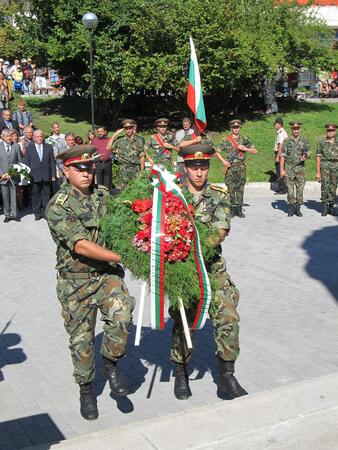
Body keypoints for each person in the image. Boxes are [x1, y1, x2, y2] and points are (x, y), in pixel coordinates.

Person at [46, 144, 135, 420]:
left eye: (89, 168)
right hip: (75, 283)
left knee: (122, 314)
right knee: (82, 342)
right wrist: (123, 256)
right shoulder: (58, 206)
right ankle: (86, 391)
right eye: (79, 169)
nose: (86, 174)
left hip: (106, 276)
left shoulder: (103, 195)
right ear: (66, 170)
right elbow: (82, 246)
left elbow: (123, 222)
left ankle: (110, 363)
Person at [169, 143, 246, 401]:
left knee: (228, 317)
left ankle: (226, 376)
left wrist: (193, 248)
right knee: (184, 322)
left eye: (203, 167)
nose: (200, 173)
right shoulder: (173, 196)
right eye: (194, 167)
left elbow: (220, 231)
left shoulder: (218, 194)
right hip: (184, 271)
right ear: (185, 167)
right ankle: (181, 371)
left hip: (212, 268)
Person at [217, 119, 257, 218]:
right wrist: (224, 161)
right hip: (230, 168)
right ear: (231, 128)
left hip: (241, 167)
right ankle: (231, 209)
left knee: (240, 188)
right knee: (230, 188)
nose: (236, 129)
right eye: (234, 127)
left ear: (240, 128)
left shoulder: (244, 139)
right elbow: (216, 151)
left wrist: (245, 148)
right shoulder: (226, 140)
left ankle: (239, 209)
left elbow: (255, 151)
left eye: (237, 127)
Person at [280, 121, 311, 217]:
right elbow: (282, 156)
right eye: (294, 128)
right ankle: (291, 207)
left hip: (300, 169)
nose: (296, 130)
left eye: (297, 128)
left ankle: (298, 208)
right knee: (290, 190)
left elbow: (309, 152)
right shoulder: (286, 141)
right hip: (289, 169)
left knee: (300, 189)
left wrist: (305, 157)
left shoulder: (304, 140)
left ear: (300, 129)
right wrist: (282, 169)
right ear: (291, 129)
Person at [25, 129, 56, 220]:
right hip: (34, 175)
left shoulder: (48, 147)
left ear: (43, 137)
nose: (39, 138)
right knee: (36, 195)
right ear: (34, 138)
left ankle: (45, 212)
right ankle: (37, 213)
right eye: (37, 137)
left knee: (46, 194)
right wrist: (27, 175)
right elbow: (27, 162)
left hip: (46, 174)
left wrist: (53, 174)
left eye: (41, 136)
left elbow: (52, 162)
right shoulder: (29, 148)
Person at [108, 119, 145, 189]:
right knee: (123, 191)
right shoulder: (119, 140)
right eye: (126, 129)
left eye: (130, 128)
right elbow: (108, 148)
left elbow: (142, 156)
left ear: (133, 128)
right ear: (124, 129)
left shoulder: (139, 140)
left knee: (136, 189)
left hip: (136, 169)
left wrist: (142, 171)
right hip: (123, 169)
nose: (128, 130)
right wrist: (115, 134)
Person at [0, 129, 22, 222]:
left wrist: (12, 172)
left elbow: (20, 161)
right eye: (7, 136)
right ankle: (7, 215)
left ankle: (14, 214)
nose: (9, 138)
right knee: (5, 196)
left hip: (13, 176)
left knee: (13, 195)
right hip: (3, 177)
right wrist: (2, 174)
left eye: (10, 136)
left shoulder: (16, 146)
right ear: (2, 137)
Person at [316, 123, 338, 216]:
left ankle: (331, 206)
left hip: (336, 166)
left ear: (335, 131)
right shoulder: (322, 142)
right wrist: (318, 172)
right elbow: (318, 157)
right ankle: (325, 206)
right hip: (324, 166)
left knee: (333, 186)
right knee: (325, 186)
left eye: (332, 130)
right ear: (326, 131)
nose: (330, 132)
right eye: (329, 130)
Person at [91, 126, 112, 190]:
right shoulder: (94, 141)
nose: (99, 133)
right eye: (98, 132)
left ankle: (108, 197)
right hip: (98, 164)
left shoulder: (109, 140)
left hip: (108, 163)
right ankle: (100, 197)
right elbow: (91, 152)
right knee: (99, 183)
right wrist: (93, 163)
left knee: (108, 182)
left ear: (105, 132)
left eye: (101, 131)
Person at [175, 117, 195, 182]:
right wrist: (190, 142)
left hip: (191, 158)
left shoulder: (194, 132)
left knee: (191, 176)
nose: (185, 126)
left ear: (190, 124)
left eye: (187, 124)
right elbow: (179, 145)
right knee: (182, 176)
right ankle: (184, 191)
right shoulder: (178, 133)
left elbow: (195, 145)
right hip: (181, 158)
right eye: (184, 124)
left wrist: (185, 143)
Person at [273, 117, 288, 194]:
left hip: (280, 154)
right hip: (282, 154)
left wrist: (277, 156)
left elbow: (280, 145)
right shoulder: (281, 132)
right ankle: (284, 188)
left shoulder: (281, 133)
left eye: (275, 124)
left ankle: (282, 189)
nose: (274, 125)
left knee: (280, 171)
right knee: (281, 170)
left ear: (279, 124)